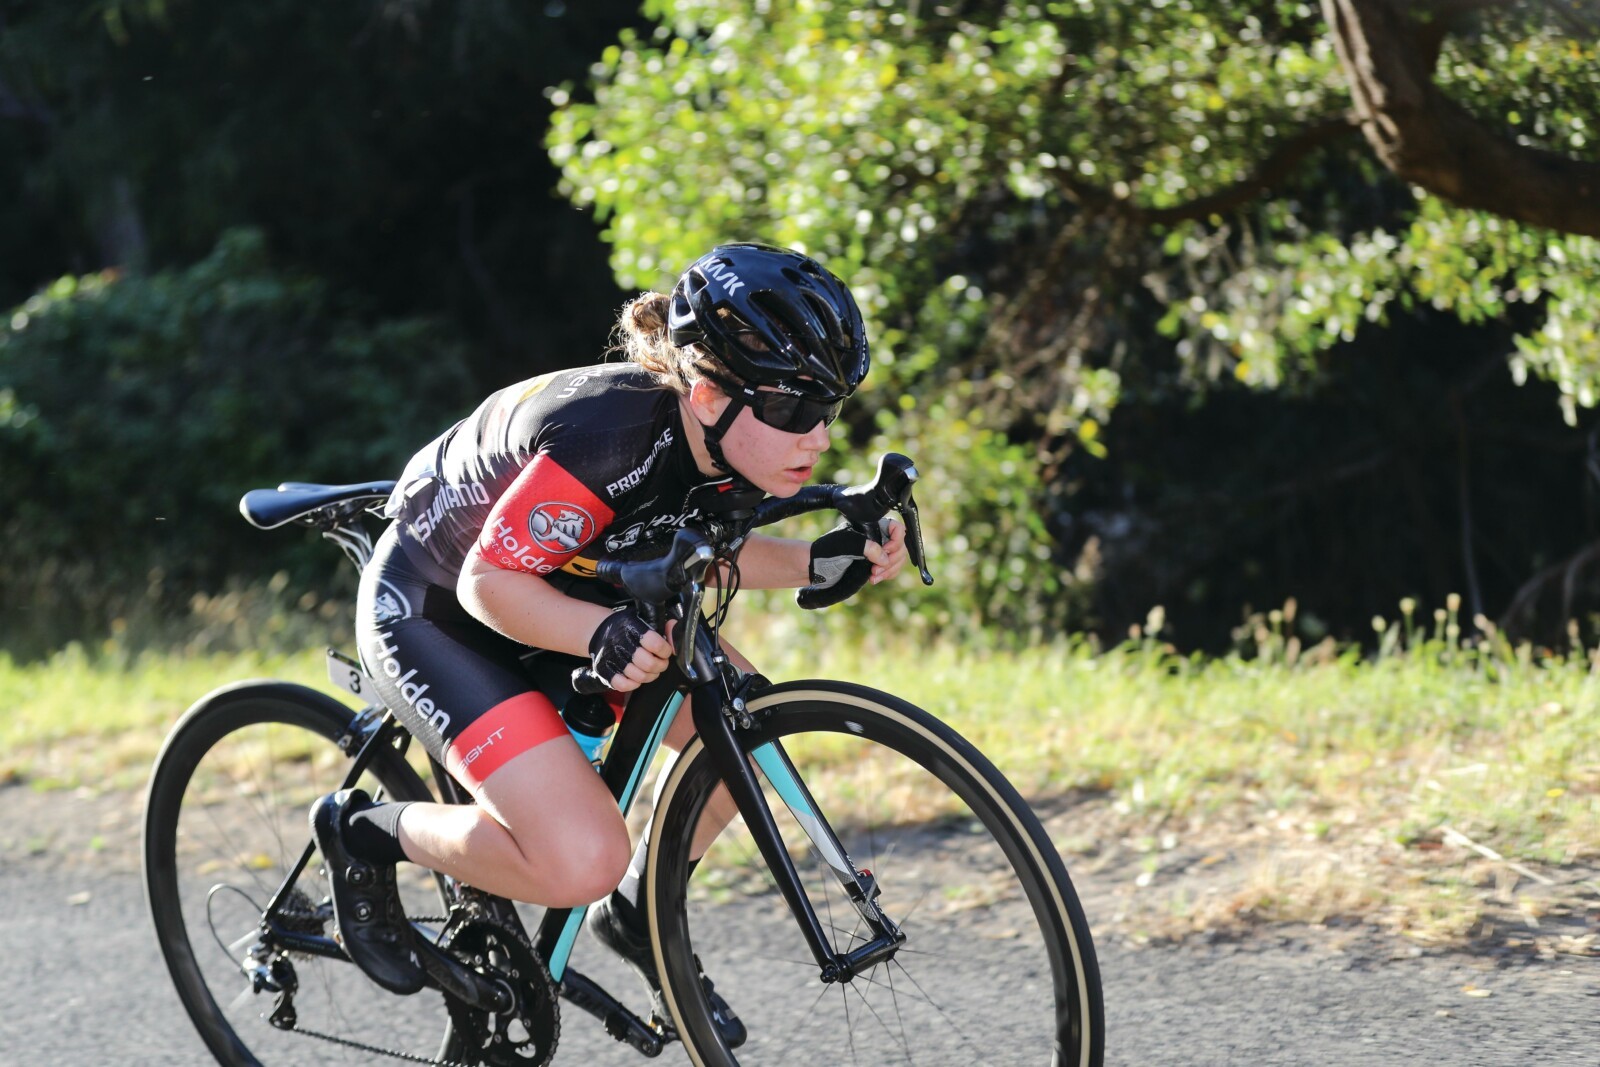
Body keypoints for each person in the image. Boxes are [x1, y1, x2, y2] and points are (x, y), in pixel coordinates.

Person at [309, 243, 910, 1041]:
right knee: (578, 858)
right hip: (438, 602)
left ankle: (635, 908)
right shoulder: (608, 436)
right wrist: (600, 628)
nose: (820, 437)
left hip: (562, 580)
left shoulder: (726, 439)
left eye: (829, 408)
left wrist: (814, 559)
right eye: (796, 410)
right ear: (704, 395)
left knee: (747, 727)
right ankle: (361, 831)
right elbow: (491, 583)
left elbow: (696, 541)